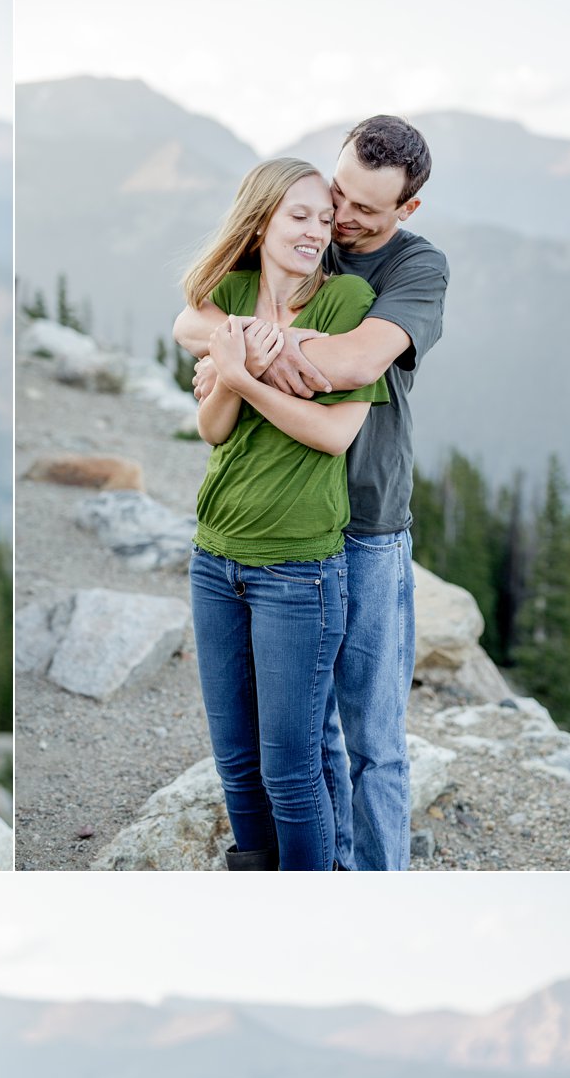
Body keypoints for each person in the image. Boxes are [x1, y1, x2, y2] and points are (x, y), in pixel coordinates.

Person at [178, 117, 447, 870]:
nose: (343, 218)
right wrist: (244, 344)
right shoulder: (311, 236)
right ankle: (325, 867)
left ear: (407, 210)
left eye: (365, 210)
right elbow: (187, 319)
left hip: (367, 521)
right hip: (273, 527)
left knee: (372, 737)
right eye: (337, 195)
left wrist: (249, 355)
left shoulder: (414, 269)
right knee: (305, 734)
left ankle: (376, 877)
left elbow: (357, 358)